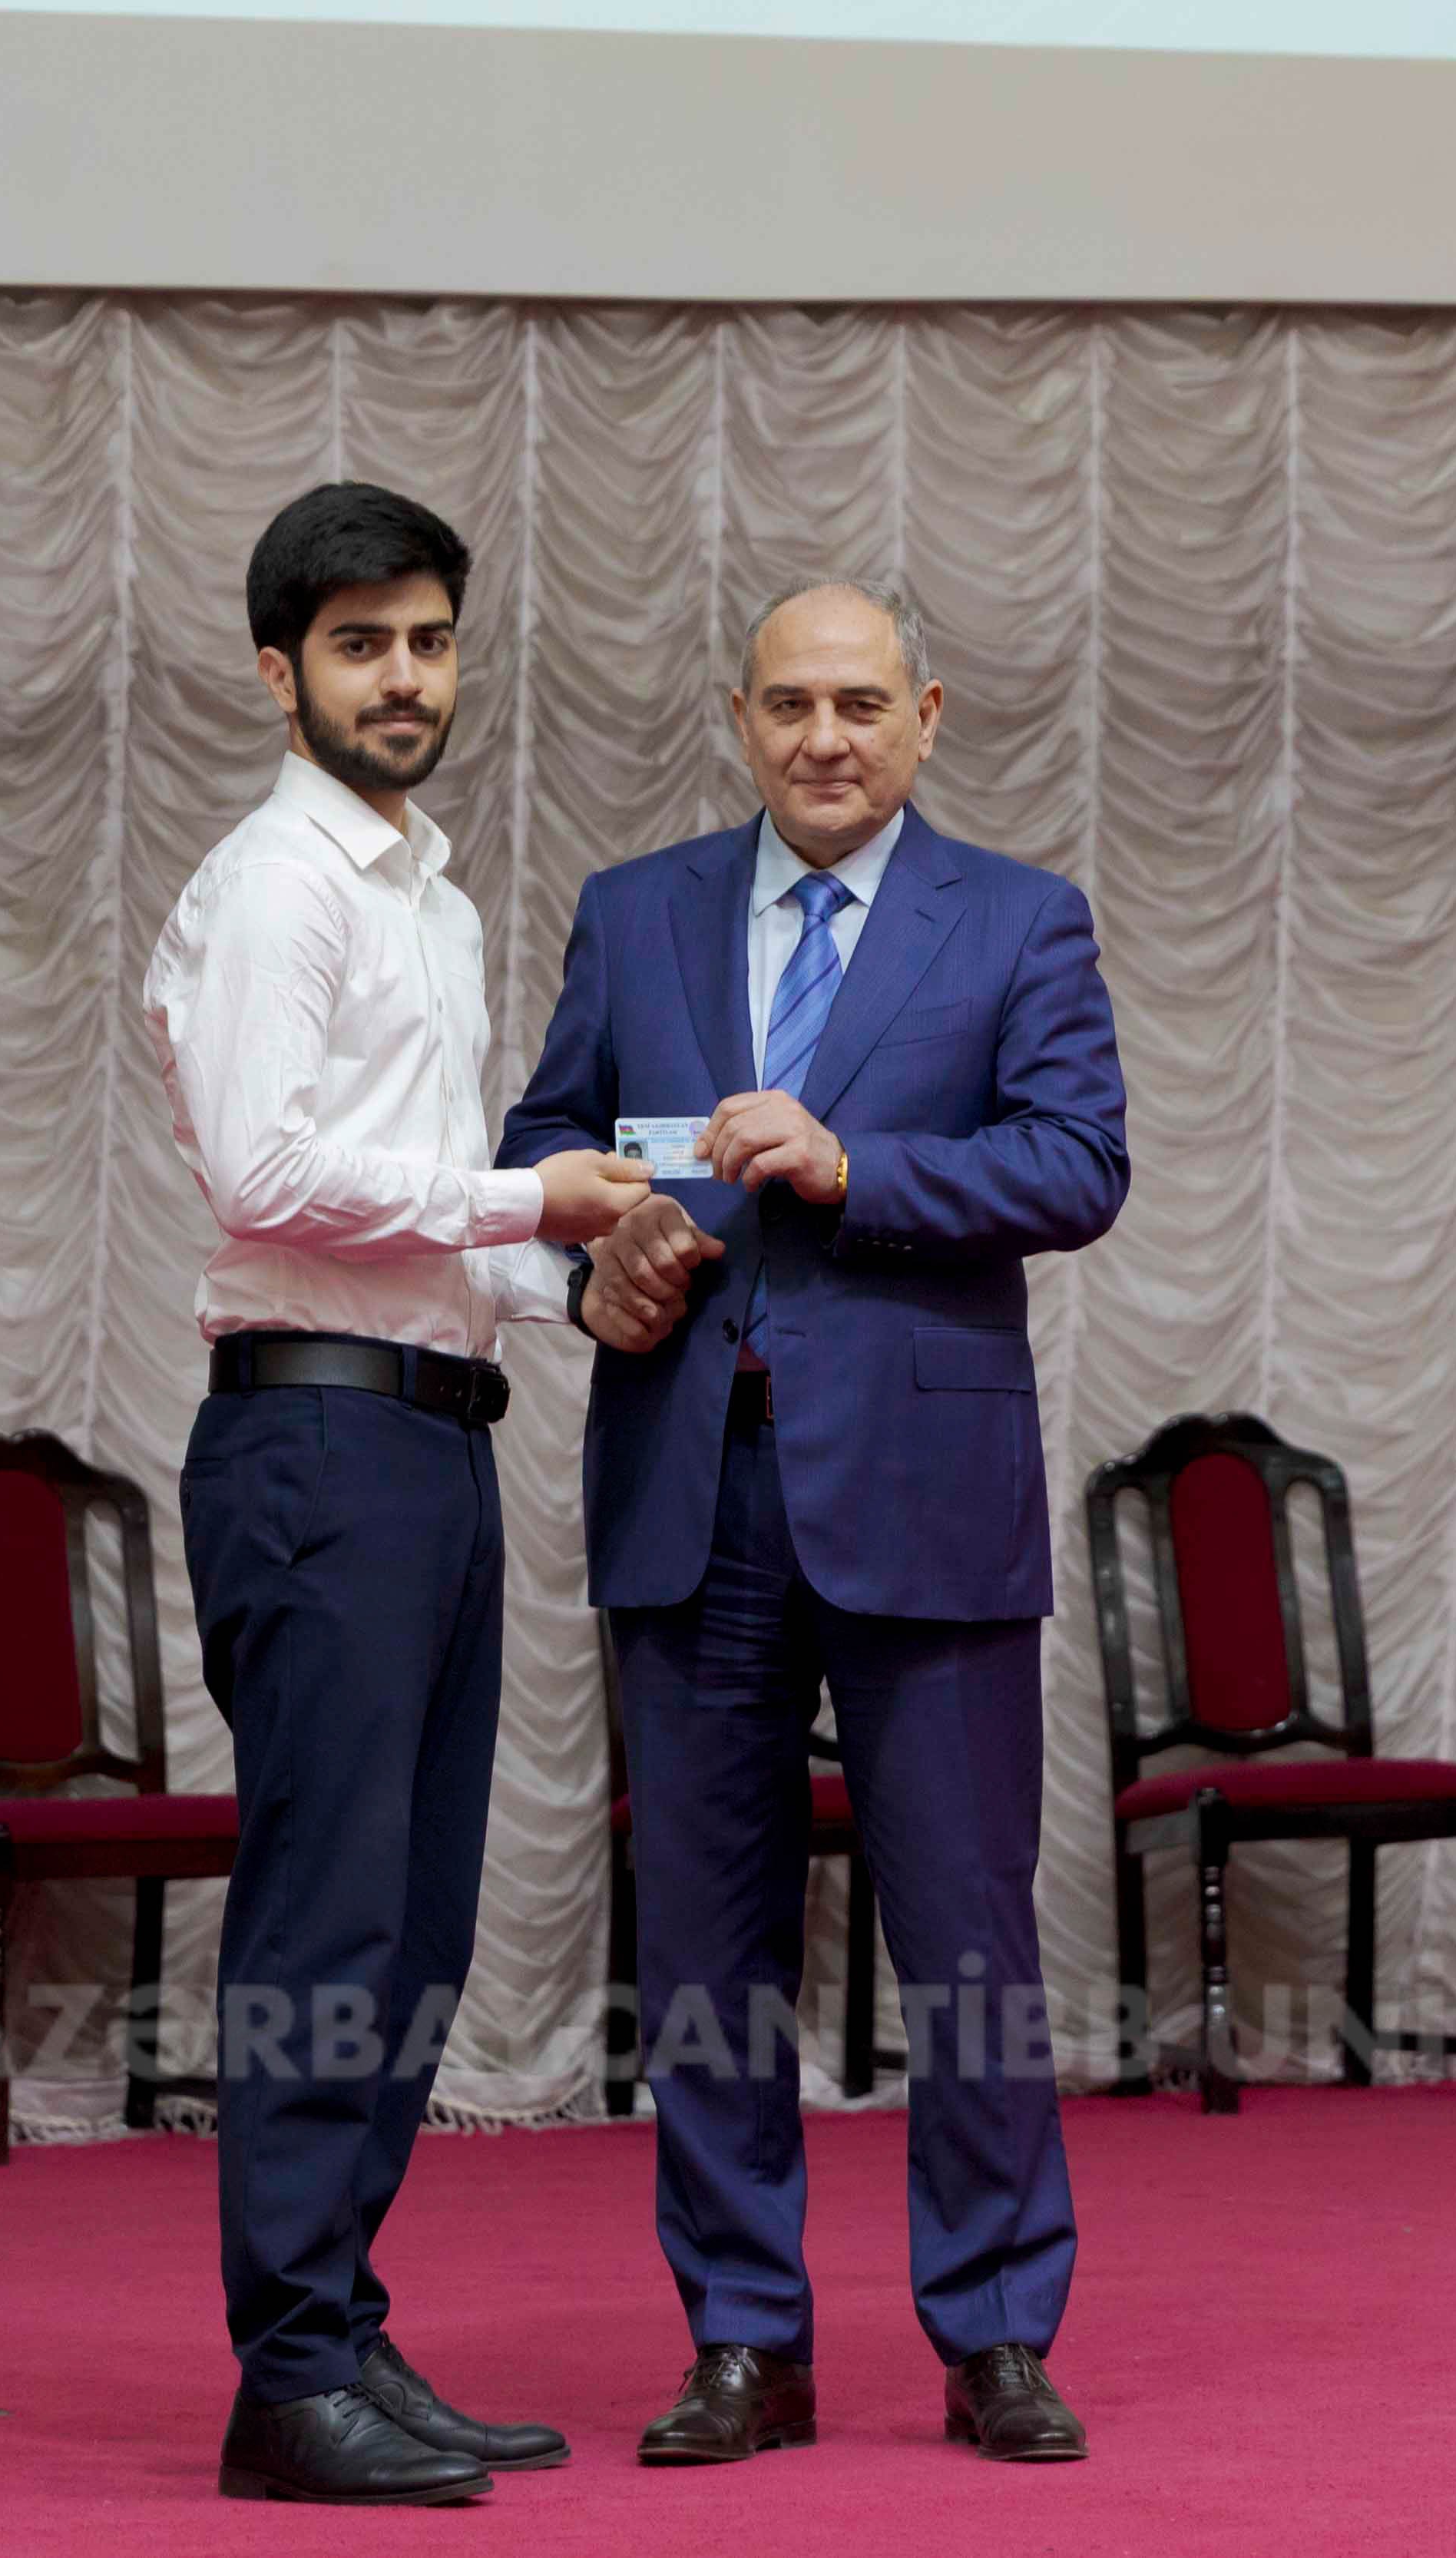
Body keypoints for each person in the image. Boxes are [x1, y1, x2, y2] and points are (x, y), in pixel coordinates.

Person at [500, 580, 1130, 2465]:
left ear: (923, 717)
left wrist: (858, 1164)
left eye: (859, 703)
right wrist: (592, 1264)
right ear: (740, 716)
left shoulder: (1016, 918)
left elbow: (1078, 1163)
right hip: (688, 1490)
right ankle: (742, 2340)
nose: (823, 738)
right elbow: (540, 1155)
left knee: (967, 1938)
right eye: (788, 704)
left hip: (923, 1496)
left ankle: (994, 2331)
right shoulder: (635, 911)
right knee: (705, 1952)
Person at [144, 481, 650, 2506]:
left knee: (414, 1920)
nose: (404, 678)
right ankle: (284, 2375)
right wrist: (530, 1197)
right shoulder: (282, 883)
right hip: (315, 1449)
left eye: (428, 640)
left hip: (429, 1434)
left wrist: (576, 1277)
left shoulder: (426, 896)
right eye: (359, 645)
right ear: (278, 674)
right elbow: (264, 1174)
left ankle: (339, 2329)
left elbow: (423, 1230)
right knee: (326, 1911)